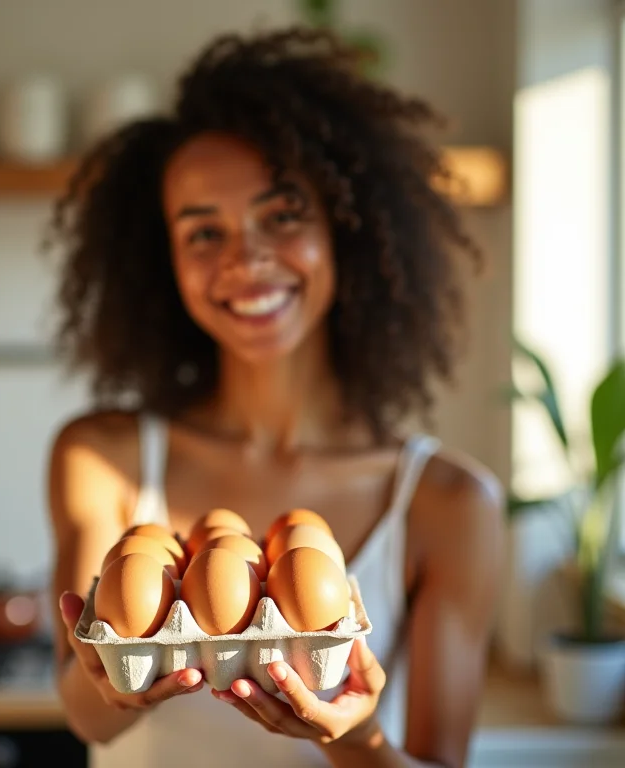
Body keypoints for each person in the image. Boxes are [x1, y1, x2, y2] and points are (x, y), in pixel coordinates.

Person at [46, 26, 505, 768]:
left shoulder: (446, 503)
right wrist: (112, 682)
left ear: (347, 231)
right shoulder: (105, 458)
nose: (246, 258)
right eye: (204, 232)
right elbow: (83, 714)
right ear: (163, 262)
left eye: (283, 215)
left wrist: (355, 738)